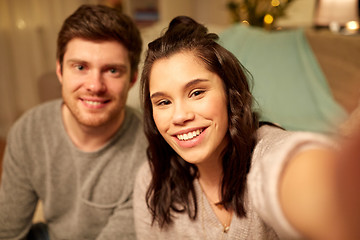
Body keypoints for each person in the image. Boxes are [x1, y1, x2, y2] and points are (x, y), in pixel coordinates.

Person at [133, 16, 358, 240]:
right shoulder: (152, 179)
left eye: (197, 93)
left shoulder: (266, 154)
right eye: (163, 102)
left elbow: (294, 170)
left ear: (230, 95)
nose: (180, 116)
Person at [0, 4, 146, 240]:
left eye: (112, 71)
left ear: (132, 79)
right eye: (80, 67)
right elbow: (8, 231)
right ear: (59, 70)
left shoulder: (150, 147)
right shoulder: (28, 131)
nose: (94, 86)